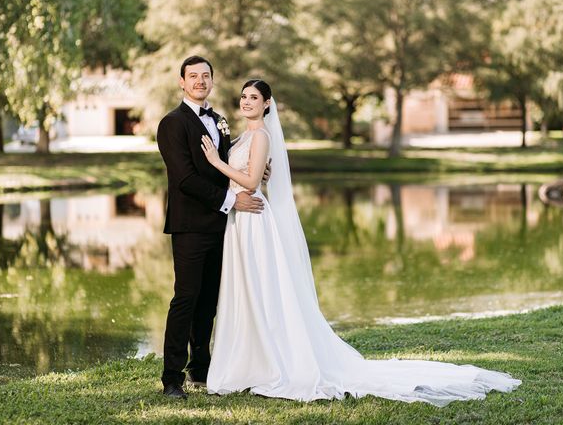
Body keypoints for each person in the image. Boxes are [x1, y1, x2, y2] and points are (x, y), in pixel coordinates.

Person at [200, 79, 522, 406]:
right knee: (247, 289)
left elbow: (252, 181)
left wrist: (217, 162)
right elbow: (252, 174)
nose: (247, 102)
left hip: (254, 219)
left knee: (260, 289)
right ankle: (247, 359)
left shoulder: (262, 136)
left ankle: (268, 360)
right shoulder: (244, 136)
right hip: (240, 220)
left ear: (267, 104)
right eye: (244, 97)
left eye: (254, 97)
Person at [156, 56, 268, 399]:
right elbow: (186, 179)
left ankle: (200, 368)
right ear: (182, 82)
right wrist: (231, 200)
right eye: (193, 76)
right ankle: (172, 377)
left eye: (205, 76)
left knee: (210, 302)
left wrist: (255, 170)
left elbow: (226, 166)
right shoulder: (171, 123)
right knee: (186, 298)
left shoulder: (218, 120)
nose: (200, 81)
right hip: (190, 225)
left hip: (223, 226)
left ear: (212, 81)